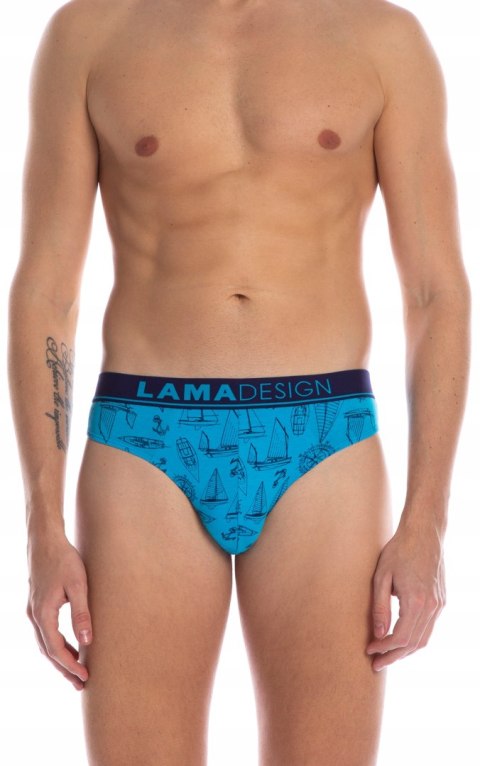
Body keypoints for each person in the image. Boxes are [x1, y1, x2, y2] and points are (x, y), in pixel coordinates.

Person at [7, 0, 470, 764]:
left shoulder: (381, 37)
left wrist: (428, 524)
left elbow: (435, 293)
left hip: (322, 438)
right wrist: (41, 527)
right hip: (144, 439)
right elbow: (45, 294)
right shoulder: (89, 33)